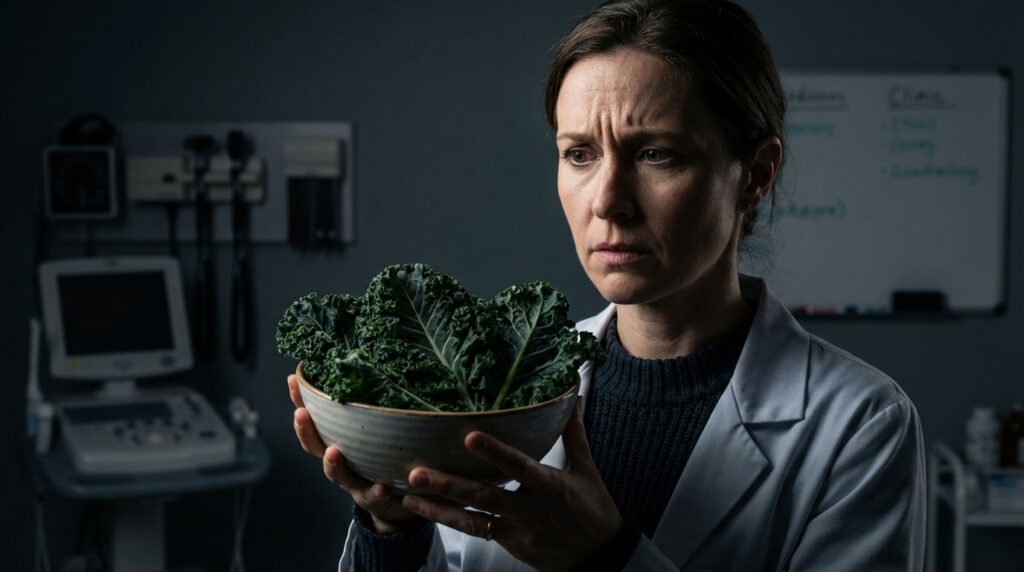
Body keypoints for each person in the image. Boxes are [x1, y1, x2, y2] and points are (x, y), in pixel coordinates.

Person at [286, 0, 927, 569]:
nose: (609, 201)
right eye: (579, 154)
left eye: (656, 154)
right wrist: (390, 527)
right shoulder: (504, 392)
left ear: (756, 172)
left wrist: (608, 558)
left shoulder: (861, 425)